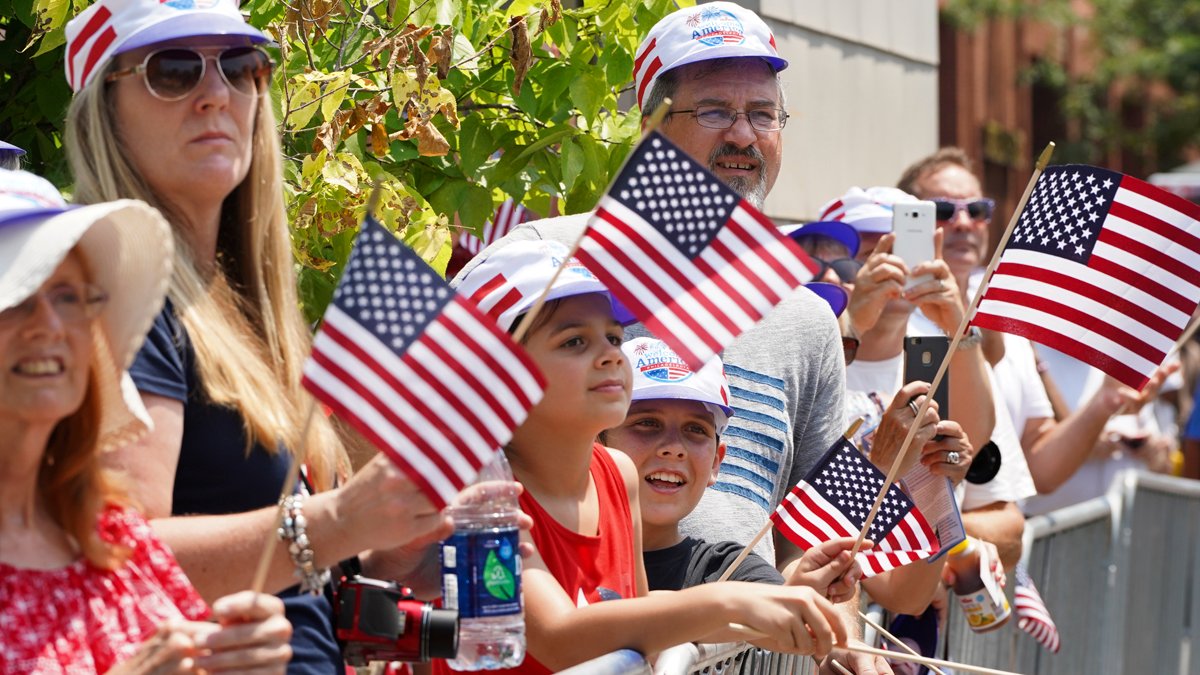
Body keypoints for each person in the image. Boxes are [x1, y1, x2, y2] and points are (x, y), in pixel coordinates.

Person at [62, 1, 460, 670]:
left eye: (242, 67)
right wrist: (335, 521)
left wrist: (379, 544)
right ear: (105, 110)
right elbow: (115, 557)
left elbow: (268, 544)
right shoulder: (116, 290)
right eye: (175, 70)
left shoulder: (239, 299)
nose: (216, 93)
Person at [451, 239, 849, 672]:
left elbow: (638, 625)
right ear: (497, 372)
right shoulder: (476, 488)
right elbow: (558, 636)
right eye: (574, 341)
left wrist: (770, 601)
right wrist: (728, 600)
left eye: (613, 336)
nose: (609, 356)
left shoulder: (618, 474)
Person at [0, 168, 292, 673]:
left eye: (68, 296)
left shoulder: (110, 537)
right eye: (16, 296)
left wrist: (237, 660)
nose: (49, 324)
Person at [603, 336, 864, 599]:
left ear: (717, 461)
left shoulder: (733, 570)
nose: (674, 447)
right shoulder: (561, 554)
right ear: (595, 442)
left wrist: (793, 598)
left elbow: (772, 607)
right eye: (647, 423)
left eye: (695, 429)